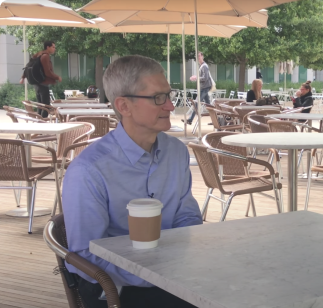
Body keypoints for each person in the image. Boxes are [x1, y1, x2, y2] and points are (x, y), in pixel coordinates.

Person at [62, 55, 202, 308]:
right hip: (115, 288)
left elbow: (187, 218)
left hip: (173, 274)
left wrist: (180, 267)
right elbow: (84, 255)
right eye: (158, 98)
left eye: (169, 96)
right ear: (124, 106)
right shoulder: (89, 170)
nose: (170, 106)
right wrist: (153, 277)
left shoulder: (176, 152)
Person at [20, 41, 61, 118]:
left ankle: (38, 122)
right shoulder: (45, 56)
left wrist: (23, 77)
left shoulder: (38, 54)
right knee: (46, 106)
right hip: (43, 83)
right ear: (47, 47)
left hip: (37, 84)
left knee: (40, 105)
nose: (54, 49)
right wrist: (57, 77)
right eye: (53, 47)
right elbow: (47, 72)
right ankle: (42, 123)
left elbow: (28, 66)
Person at [187, 52, 212, 124]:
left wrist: (196, 77)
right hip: (204, 87)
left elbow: (205, 78)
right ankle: (215, 120)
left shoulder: (204, 66)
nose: (198, 58)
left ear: (202, 56)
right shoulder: (203, 66)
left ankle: (190, 119)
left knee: (197, 103)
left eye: (199, 56)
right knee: (208, 104)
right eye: (197, 57)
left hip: (204, 88)